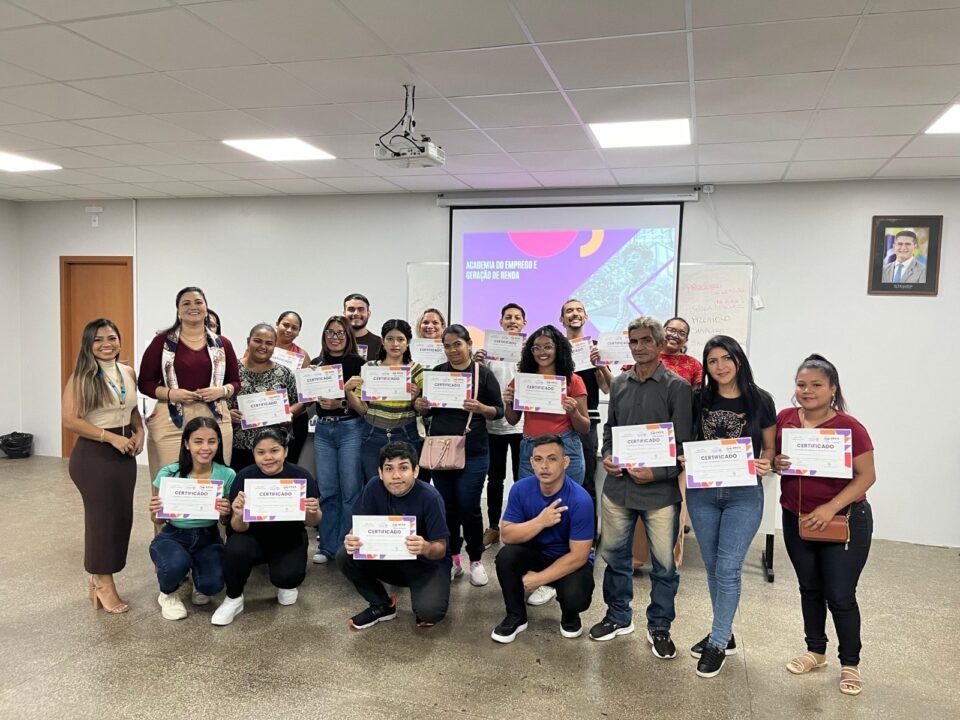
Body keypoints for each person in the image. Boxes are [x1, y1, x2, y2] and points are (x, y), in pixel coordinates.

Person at [591, 316, 693, 659]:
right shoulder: (620, 383)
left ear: (660, 343)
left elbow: (683, 445)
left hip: (659, 493)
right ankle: (618, 616)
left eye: (646, 340)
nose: (639, 347)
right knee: (615, 558)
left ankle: (659, 626)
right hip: (618, 489)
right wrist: (608, 455)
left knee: (664, 566)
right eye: (633, 341)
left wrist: (657, 473)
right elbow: (611, 429)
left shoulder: (678, 387)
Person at [774, 354, 876, 697]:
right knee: (809, 587)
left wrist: (830, 507)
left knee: (841, 595)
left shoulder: (850, 427)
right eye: (801, 384)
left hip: (843, 520)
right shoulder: (786, 419)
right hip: (795, 517)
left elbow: (867, 476)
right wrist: (777, 462)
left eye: (816, 384)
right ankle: (816, 651)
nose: (807, 391)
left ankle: (850, 663)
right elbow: (774, 460)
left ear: (833, 389)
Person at [683, 335, 776, 678]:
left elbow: (769, 447)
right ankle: (724, 632)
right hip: (703, 494)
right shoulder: (698, 399)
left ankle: (718, 642)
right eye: (712, 361)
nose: (720, 366)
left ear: (738, 360)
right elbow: (687, 438)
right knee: (712, 567)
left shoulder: (760, 399)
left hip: (743, 494)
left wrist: (766, 461)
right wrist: (684, 456)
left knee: (728, 568)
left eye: (726, 358)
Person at [62, 319, 145, 614]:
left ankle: (100, 577)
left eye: (112, 337)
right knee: (102, 520)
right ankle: (102, 582)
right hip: (94, 455)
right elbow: (70, 420)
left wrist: (140, 431)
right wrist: (110, 438)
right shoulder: (81, 377)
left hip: (124, 453)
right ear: (88, 344)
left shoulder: (127, 372)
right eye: (98, 339)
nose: (106, 344)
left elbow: (131, 409)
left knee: (121, 517)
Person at [414, 325, 504, 586]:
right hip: (441, 450)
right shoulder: (437, 373)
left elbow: (498, 410)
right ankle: (453, 558)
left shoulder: (482, 374)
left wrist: (482, 408)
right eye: (447, 345)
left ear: (468, 344)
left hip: (473, 450)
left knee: (469, 506)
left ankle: (475, 559)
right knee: (447, 507)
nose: (452, 350)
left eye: (457, 344)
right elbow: (426, 411)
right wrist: (420, 405)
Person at [491, 434, 595, 644]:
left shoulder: (580, 499)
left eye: (552, 459)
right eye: (538, 459)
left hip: (568, 560)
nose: (544, 466)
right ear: (531, 462)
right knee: (506, 557)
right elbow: (507, 535)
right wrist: (540, 522)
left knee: (576, 596)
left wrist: (539, 579)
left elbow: (579, 556)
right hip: (536, 554)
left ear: (565, 462)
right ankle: (516, 616)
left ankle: (570, 615)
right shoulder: (520, 489)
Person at [212, 428, 321, 625]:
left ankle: (286, 581)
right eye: (261, 452)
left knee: (287, 578)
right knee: (235, 548)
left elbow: (312, 522)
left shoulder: (301, 476)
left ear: (285, 451)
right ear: (253, 454)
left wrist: (312, 511)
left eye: (274, 451)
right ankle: (233, 598)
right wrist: (238, 514)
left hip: (288, 537)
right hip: (252, 536)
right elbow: (238, 527)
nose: (268, 457)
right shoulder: (244, 476)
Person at [338, 441, 451, 629]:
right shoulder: (374, 487)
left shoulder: (430, 497)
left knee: (430, 613)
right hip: (389, 560)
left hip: (426, 565)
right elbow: (358, 527)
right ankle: (382, 604)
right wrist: (352, 539)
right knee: (344, 555)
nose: (396, 476)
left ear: (415, 471)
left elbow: (441, 549)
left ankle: (426, 594)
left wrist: (425, 547)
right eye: (389, 469)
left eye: (403, 468)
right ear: (380, 472)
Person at [139, 286, 241, 479]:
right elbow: (145, 383)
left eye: (198, 302)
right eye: (186, 303)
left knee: (215, 477)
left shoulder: (223, 344)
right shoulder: (161, 343)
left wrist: (221, 391)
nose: (193, 307)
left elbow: (235, 383)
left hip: (215, 417)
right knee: (170, 479)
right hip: (171, 419)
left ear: (206, 307)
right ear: (178, 311)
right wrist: (171, 394)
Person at [148, 417, 235, 620]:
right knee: (175, 565)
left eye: (211, 441)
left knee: (212, 585)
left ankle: (198, 578)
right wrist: (155, 511)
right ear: (187, 444)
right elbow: (157, 520)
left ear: (219, 443)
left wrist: (226, 512)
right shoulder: (169, 473)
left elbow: (226, 522)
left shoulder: (227, 474)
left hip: (208, 537)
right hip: (173, 535)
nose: (205, 448)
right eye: (198, 441)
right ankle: (167, 594)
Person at [503, 325, 590, 485]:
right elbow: (512, 420)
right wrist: (508, 403)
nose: (541, 352)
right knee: (531, 498)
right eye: (536, 348)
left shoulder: (573, 381)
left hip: (565, 447)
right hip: (531, 449)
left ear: (559, 349)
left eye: (548, 347)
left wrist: (574, 413)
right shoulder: (523, 380)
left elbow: (585, 427)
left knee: (566, 498)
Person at [311, 315, 365, 565]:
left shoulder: (359, 364)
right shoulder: (316, 364)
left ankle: (345, 546)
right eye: (330, 333)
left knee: (350, 491)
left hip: (350, 428)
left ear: (348, 336)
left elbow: (365, 405)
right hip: (323, 430)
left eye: (340, 333)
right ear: (324, 336)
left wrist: (341, 403)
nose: (335, 337)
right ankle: (327, 546)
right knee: (328, 490)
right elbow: (309, 399)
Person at [473, 302, 527, 550]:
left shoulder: (530, 354)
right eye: (508, 317)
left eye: (517, 317)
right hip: (493, 425)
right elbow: (479, 385)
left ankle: (521, 526)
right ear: (501, 322)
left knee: (522, 478)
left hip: (521, 425)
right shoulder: (488, 353)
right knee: (494, 478)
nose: (512, 321)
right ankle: (493, 527)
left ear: (524, 323)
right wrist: (478, 364)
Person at [347, 319, 424, 484]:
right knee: (374, 484)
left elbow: (423, 410)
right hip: (373, 433)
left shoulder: (416, 369)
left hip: (405, 433)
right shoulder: (370, 368)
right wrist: (348, 391)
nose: (395, 344)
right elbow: (362, 409)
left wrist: (416, 397)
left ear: (408, 342)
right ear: (382, 341)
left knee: (404, 484)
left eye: (400, 339)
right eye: (390, 339)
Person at [559, 298, 611, 533]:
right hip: (558, 419)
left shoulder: (595, 347)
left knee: (587, 478)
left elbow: (607, 388)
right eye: (569, 311)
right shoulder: (555, 347)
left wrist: (600, 365)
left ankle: (588, 535)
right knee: (558, 477)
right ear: (562, 319)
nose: (575, 314)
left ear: (586, 317)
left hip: (587, 420)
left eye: (579, 310)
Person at [228, 323, 301, 472]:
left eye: (269, 343)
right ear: (248, 341)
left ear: (275, 346)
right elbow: (218, 401)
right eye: (258, 341)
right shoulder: (232, 370)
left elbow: (299, 402)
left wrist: (289, 413)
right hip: (238, 446)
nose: (263, 347)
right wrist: (227, 414)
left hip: (274, 450)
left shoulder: (284, 373)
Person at [275, 310, 312, 464]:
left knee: (288, 465)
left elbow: (308, 396)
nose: (289, 330)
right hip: (262, 418)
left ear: (298, 332)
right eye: (285, 325)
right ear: (277, 324)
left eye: (294, 328)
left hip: (293, 420)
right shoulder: (261, 348)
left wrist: (289, 413)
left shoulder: (302, 356)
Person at [660, 317, 703, 387]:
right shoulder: (649, 358)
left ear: (686, 340)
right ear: (662, 331)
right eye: (671, 330)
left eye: (682, 333)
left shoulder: (694, 364)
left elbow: (699, 391)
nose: (675, 335)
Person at [344, 293, 382, 361]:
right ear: (344, 314)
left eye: (361, 309)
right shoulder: (335, 342)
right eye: (351, 309)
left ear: (368, 314)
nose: (356, 313)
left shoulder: (380, 344)